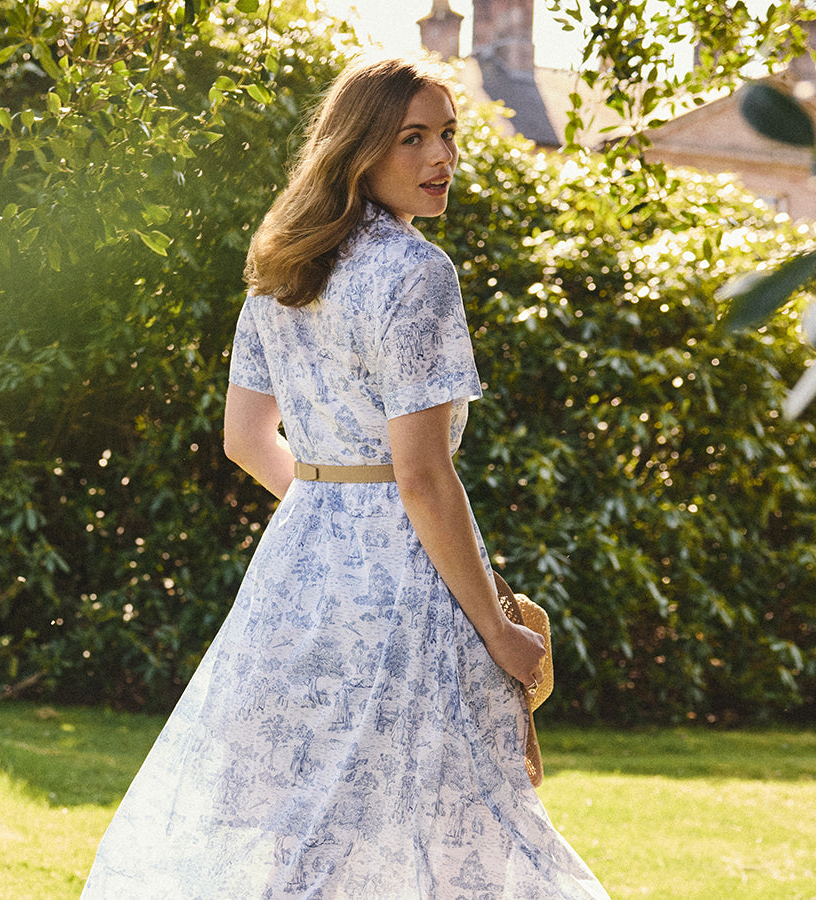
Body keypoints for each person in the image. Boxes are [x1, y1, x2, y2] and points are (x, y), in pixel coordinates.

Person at [78, 56, 611, 899]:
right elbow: (424, 480)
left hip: (297, 573)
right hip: (408, 581)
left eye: (448, 135)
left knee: (301, 831)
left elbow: (247, 440)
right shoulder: (418, 274)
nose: (441, 158)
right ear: (360, 150)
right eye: (414, 139)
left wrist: (332, 519)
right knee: (458, 829)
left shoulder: (283, 265)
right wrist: (502, 633)